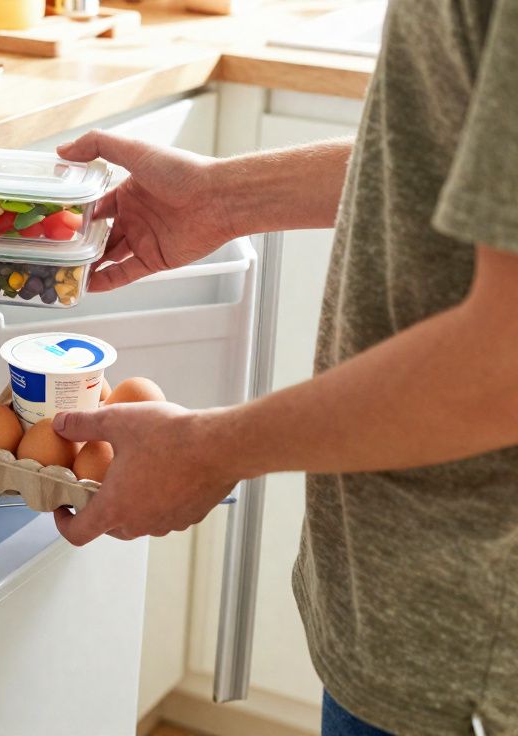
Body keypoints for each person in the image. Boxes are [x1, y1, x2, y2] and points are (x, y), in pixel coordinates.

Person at [48, 1, 518, 734]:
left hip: (474, 653)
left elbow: (504, 363)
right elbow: (449, 154)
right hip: (400, 610)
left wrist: (209, 449)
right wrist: (222, 197)